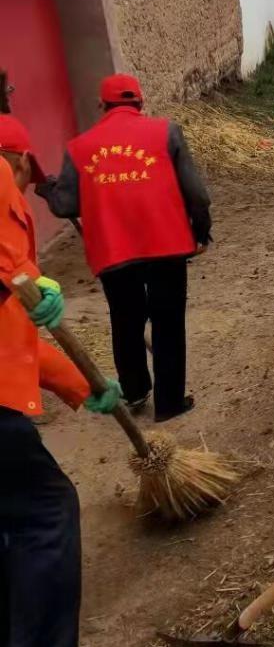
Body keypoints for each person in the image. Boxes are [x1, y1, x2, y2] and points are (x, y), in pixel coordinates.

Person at [0, 114, 121, 647]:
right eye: (25, 176)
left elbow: (13, 334)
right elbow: (10, 279)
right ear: (18, 160)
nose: (21, 188)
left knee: (7, 516)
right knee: (44, 515)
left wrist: (83, 387)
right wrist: (20, 278)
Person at [40, 74, 211, 423]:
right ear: (140, 103)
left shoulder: (79, 146)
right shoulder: (167, 132)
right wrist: (201, 228)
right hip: (167, 245)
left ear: (101, 105)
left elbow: (66, 205)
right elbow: (196, 192)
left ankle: (134, 391)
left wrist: (49, 190)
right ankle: (169, 403)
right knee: (167, 321)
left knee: (126, 320)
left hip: (113, 252)